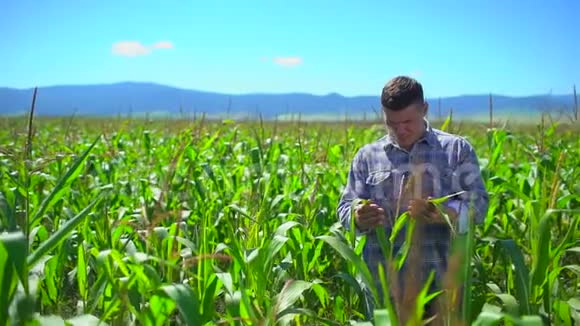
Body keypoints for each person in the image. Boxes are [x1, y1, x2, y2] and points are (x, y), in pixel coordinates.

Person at [337, 76, 489, 321]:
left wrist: (445, 215)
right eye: (391, 123)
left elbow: (479, 206)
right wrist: (357, 216)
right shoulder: (367, 156)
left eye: (407, 121)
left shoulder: (456, 150)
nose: (400, 130)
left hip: (441, 290)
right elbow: (345, 206)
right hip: (383, 292)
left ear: (424, 110)